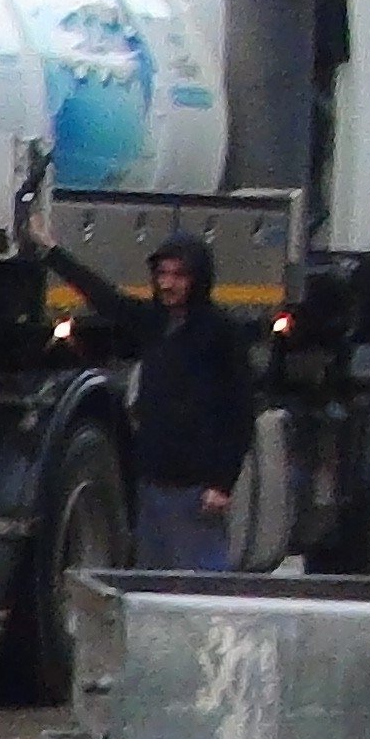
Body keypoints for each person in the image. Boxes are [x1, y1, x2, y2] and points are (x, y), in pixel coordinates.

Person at [121, 233, 256, 573]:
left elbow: (240, 411)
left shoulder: (220, 332)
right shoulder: (155, 323)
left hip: (196, 490)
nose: (167, 284)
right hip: (153, 482)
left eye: (179, 275)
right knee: (152, 582)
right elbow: (105, 298)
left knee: (200, 583)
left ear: (198, 280)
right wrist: (51, 253)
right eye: (162, 274)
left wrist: (222, 483)